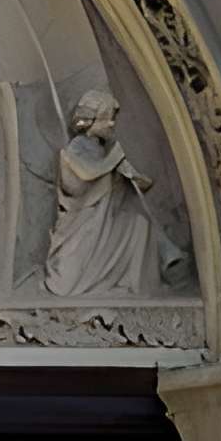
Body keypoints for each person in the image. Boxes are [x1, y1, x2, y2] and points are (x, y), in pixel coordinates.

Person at [44, 86, 152, 299]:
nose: (112, 124)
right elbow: (88, 173)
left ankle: (131, 288)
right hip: (81, 227)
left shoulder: (103, 151)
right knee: (66, 284)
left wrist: (135, 178)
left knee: (140, 226)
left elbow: (139, 183)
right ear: (91, 121)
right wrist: (115, 158)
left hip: (106, 223)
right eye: (107, 119)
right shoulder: (74, 149)